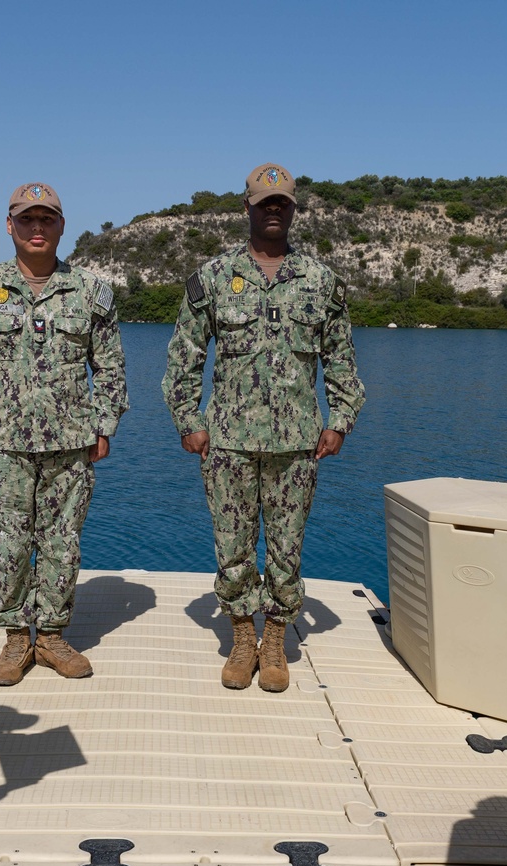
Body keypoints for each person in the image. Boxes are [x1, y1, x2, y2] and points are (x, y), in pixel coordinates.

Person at [162, 163, 365, 693]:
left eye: (282, 203)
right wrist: (189, 419)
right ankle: (240, 635)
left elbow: (341, 358)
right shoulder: (211, 278)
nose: (273, 209)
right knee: (231, 546)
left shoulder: (321, 280)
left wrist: (340, 419)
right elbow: (184, 356)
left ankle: (275, 640)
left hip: (296, 442)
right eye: (263, 202)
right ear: (246, 208)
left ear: (293, 210)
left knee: (286, 548)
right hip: (227, 439)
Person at [0, 182, 128, 686]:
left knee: (63, 543)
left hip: (70, 444)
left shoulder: (91, 292)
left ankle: (50, 636)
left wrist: (103, 424)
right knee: (10, 544)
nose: (37, 228)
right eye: (27, 219)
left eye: (47, 219)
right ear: (10, 225)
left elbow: (109, 368)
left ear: (62, 226)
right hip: (2, 443)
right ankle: (15, 637)